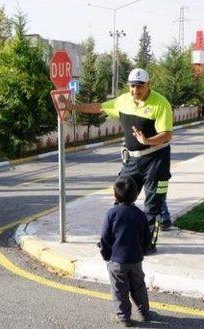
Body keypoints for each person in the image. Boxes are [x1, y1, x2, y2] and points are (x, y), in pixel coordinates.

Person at [67, 68, 172, 254]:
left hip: (156, 159)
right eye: (133, 86)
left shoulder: (161, 103)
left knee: (152, 206)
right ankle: (114, 240)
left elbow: (167, 134)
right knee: (120, 199)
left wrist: (147, 141)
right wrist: (72, 107)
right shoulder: (122, 101)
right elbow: (98, 107)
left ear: (148, 85)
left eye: (140, 86)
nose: (136, 90)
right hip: (132, 159)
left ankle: (147, 245)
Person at [99, 176, 151, 327]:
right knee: (139, 287)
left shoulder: (112, 214)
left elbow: (105, 238)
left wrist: (105, 255)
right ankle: (144, 312)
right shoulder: (140, 214)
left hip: (116, 261)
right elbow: (146, 238)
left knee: (119, 289)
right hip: (135, 260)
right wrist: (144, 251)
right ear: (136, 195)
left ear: (115, 195)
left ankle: (124, 317)